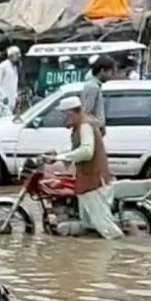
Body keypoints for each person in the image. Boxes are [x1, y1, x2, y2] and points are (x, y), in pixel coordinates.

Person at [47, 97, 122, 239]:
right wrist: (58, 156)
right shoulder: (80, 127)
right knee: (89, 225)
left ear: (71, 113)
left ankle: (121, 253)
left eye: (64, 116)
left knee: (106, 228)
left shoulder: (85, 126)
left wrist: (62, 157)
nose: (63, 120)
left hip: (95, 183)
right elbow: (76, 150)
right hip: (87, 182)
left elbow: (87, 151)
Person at [81, 55, 114, 132]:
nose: (111, 76)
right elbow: (86, 112)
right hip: (92, 131)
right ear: (102, 71)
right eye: (110, 72)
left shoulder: (93, 85)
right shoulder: (93, 87)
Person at [0, 46, 21, 118]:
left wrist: (16, 96)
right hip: (3, 101)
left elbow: (14, 84)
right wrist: (3, 96)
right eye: (16, 55)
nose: (18, 57)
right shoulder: (3, 66)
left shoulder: (14, 68)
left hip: (11, 101)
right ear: (11, 56)